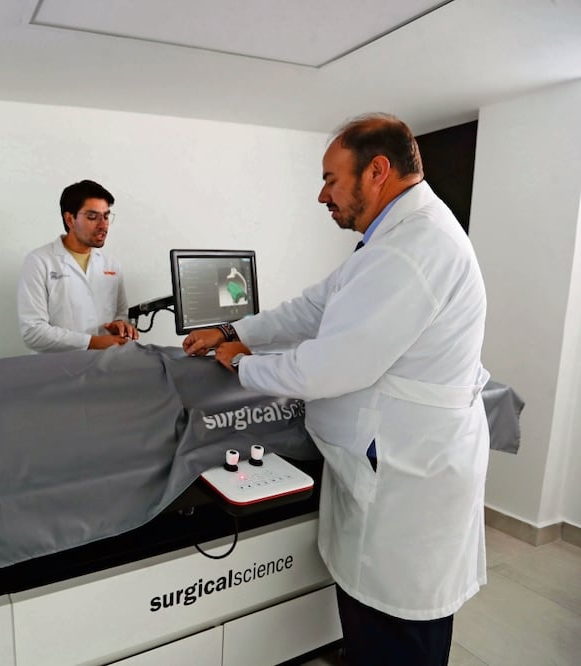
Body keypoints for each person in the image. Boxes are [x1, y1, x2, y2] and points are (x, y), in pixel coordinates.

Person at [183, 113, 489, 665]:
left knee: (398, 637)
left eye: (330, 178)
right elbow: (315, 305)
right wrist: (234, 330)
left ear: (377, 171)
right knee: (374, 630)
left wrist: (241, 365)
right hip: (391, 463)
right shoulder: (390, 238)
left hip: (405, 481)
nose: (322, 194)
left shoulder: (411, 250)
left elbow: (326, 369)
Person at [17, 179, 139, 352]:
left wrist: (119, 325)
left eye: (106, 216)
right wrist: (92, 342)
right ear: (70, 219)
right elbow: (33, 332)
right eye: (92, 217)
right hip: (58, 369)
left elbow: (121, 313)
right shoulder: (39, 261)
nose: (103, 225)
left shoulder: (111, 264)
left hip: (105, 366)